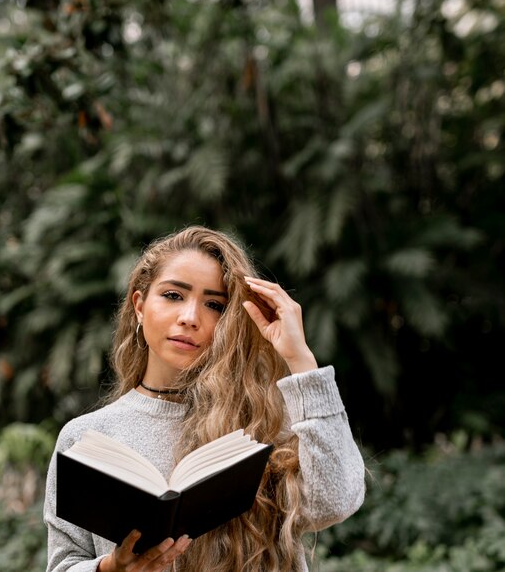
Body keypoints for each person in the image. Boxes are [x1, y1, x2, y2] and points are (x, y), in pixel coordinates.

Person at [44, 225, 365, 572]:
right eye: (172, 295)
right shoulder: (87, 436)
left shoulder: (265, 419)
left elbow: (335, 502)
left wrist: (300, 358)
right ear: (139, 305)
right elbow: (64, 563)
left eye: (214, 304)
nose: (190, 318)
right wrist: (109, 568)